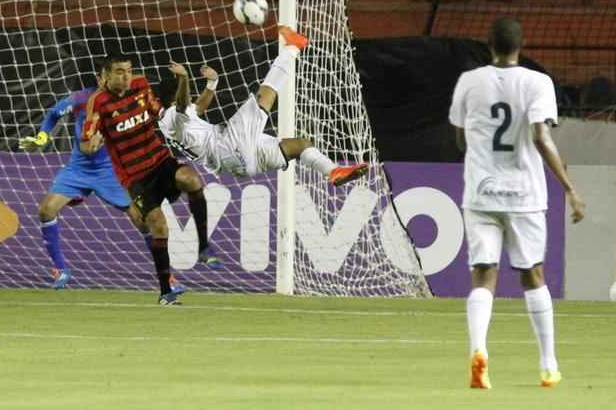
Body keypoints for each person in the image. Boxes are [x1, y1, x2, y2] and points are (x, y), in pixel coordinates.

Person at [449, 17, 585, 390]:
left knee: (483, 273)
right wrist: (568, 186)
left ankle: (479, 352)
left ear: (488, 44)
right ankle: (547, 364)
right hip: (524, 194)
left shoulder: (469, 82)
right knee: (532, 274)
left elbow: (460, 140)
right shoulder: (538, 83)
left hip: (481, 191)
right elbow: (541, 137)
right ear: (520, 46)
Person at [81, 53, 218, 306]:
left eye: (129, 70)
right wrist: (93, 144)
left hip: (160, 161)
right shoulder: (98, 102)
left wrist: (192, 84)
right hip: (135, 176)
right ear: (106, 76)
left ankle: (203, 247)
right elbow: (86, 143)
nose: (126, 76)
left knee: (192, 179)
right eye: (120, 72)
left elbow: (166, 113)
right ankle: (166, 291)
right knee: (158, 225)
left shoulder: (141, 86)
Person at [156, 29, 369, 188]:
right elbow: (185, 105)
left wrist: (213, 83)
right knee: (264, 97)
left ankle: (333, 171)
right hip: (227, 145)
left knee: (299, 145)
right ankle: (294, 46)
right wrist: (184, 77)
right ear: (173, 96)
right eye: (185, 91)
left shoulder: (175, 119)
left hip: (238, 164)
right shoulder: (172, 116)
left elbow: (197, 107)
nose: (191, 94)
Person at [19, 71, 165, 289]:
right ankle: (61, 270)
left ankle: (166, 277)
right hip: (79, 169)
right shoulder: (81, 99)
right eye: (110, 76)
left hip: (112, 170)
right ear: (100, 78)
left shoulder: (130, 101)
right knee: (46, 210)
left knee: (142, 220)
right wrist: (41, 138)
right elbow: (53, 114)